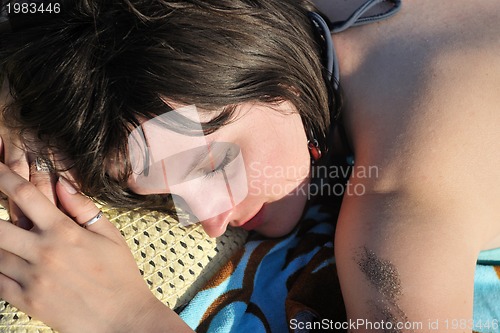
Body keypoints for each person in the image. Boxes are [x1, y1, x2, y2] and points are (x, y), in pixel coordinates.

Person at [0, 0, 499, 332]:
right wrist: (22, 93)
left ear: (281, 80)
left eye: (214, 163)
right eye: (167, 195)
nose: (210, 220)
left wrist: (123, 316)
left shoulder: (401, 213)